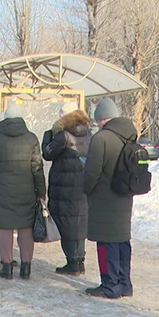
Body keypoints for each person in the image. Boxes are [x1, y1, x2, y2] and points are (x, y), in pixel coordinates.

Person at [0, 104, 46, 280]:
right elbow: (37, 168)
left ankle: (7, 267)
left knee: (5, 228)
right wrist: (41, 192)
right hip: (26, 191)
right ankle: (26, 268)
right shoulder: (31, 138)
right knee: (26, 228)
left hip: (2, 191)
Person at [83, 98, 136, 299]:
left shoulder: (101, 139)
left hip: (104, 199)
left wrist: (86, 189)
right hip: (124, 197)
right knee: (122, 240)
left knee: (106, 244)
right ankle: (125, 284)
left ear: (101, 118)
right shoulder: (130, 135)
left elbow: (92, 172)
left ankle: (110, 285)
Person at [42, 102, 92, 275]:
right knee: (79, 221)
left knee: (66, 222)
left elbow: (47, 154)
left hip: (64, 184)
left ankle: (72, 262)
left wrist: (47, 137)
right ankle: (80, 261)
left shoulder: (62, 136)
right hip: (82, 183)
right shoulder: (88, 133)